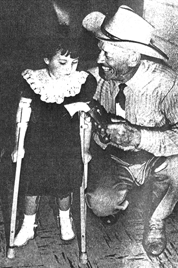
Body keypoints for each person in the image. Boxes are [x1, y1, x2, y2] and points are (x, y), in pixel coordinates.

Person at [82, 5, 178, 256]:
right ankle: (128, 198)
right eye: (100, 50)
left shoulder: (167, 83)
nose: (100, 59)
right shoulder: (101, 74)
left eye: (108, 54)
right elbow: (72, 85)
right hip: (115, 160)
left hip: (155, 159)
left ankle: (156, 219)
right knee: (99, 203)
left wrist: (139, 137)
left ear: (133, 57)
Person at [11, 37, 96, 247]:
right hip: (37, 142)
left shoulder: (81, 82)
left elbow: (86, 119)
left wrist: (85, 149)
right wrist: (17, 146)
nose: (70, 69)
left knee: (63, 185)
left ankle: (65, 219)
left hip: (66, 144)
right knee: (31, 184)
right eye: (63, 63)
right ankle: (28, 225)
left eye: (74, 63)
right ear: (47, 59)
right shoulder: (33, 81)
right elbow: (22, 117)